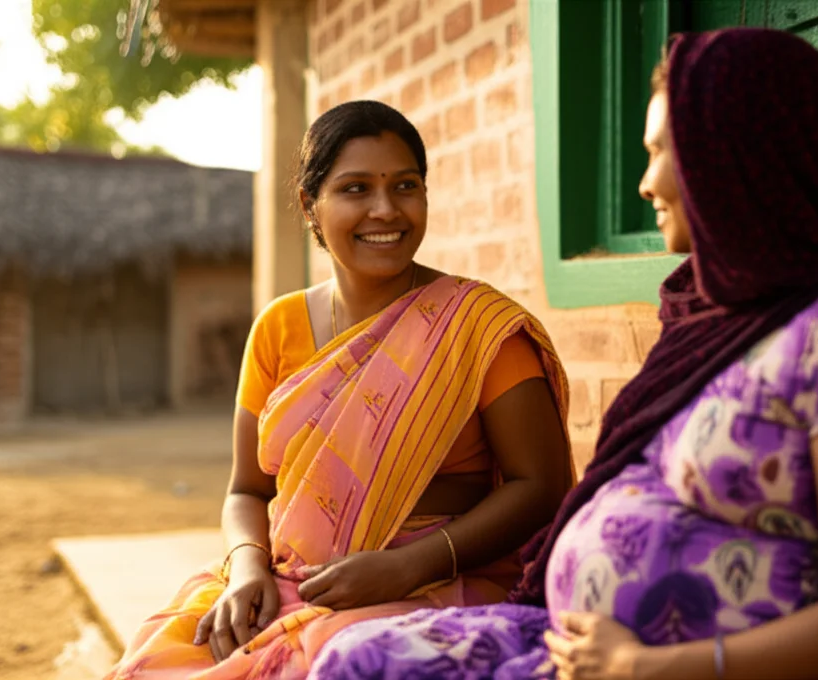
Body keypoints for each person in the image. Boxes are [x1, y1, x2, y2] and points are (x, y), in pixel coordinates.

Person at [307, 28, 818, 679]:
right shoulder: (709, 317)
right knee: (355, 657)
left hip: (670, 670)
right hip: (576, 649)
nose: (645, 184)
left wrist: (650, 667)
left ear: (734, 155)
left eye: (662, 152)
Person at [104, 101, 573, 680]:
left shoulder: (477, 328)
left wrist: (406, 567)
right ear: (310, 205)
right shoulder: (278, 328)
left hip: (441, 577)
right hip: (286, 574)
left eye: (406, 185)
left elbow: (543, 487)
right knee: (158, 662)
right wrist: (248, 568)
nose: (385, 209)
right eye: (355, 188)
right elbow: (248, 490)